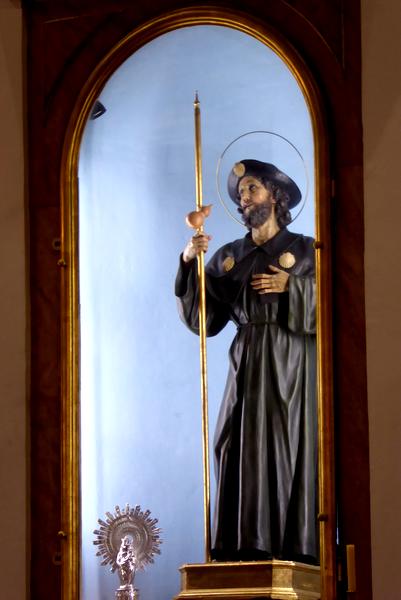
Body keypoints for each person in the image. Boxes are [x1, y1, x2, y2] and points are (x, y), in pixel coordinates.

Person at [175, 159, 317, 564]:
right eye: (241, 193)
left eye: (253, 188)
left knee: (285, 444)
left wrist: (293, 286)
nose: (245, 198)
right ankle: (241, 546)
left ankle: (290, 549)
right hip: (247, 357)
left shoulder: (305, 250)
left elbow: (332, 304)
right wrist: (189, 259)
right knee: (234, 442)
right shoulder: (229, 257)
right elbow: (203, 318)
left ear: (276, 195)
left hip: (291, 363)